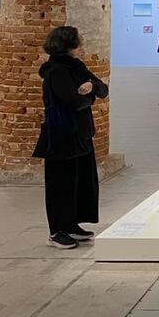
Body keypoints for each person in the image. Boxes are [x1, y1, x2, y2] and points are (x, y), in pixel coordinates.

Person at [32, 26, 109, 249]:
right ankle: (57, 232)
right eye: (78, 41)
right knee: (60, 183)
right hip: (61, 134)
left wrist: (92, 86)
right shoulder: (55, 70)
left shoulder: (77, 66)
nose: (81, 45)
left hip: (80, 132)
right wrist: (90, 98)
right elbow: (74, 102)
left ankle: (71, 225)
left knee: (80, 180)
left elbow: (103, 89)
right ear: (68, 44)